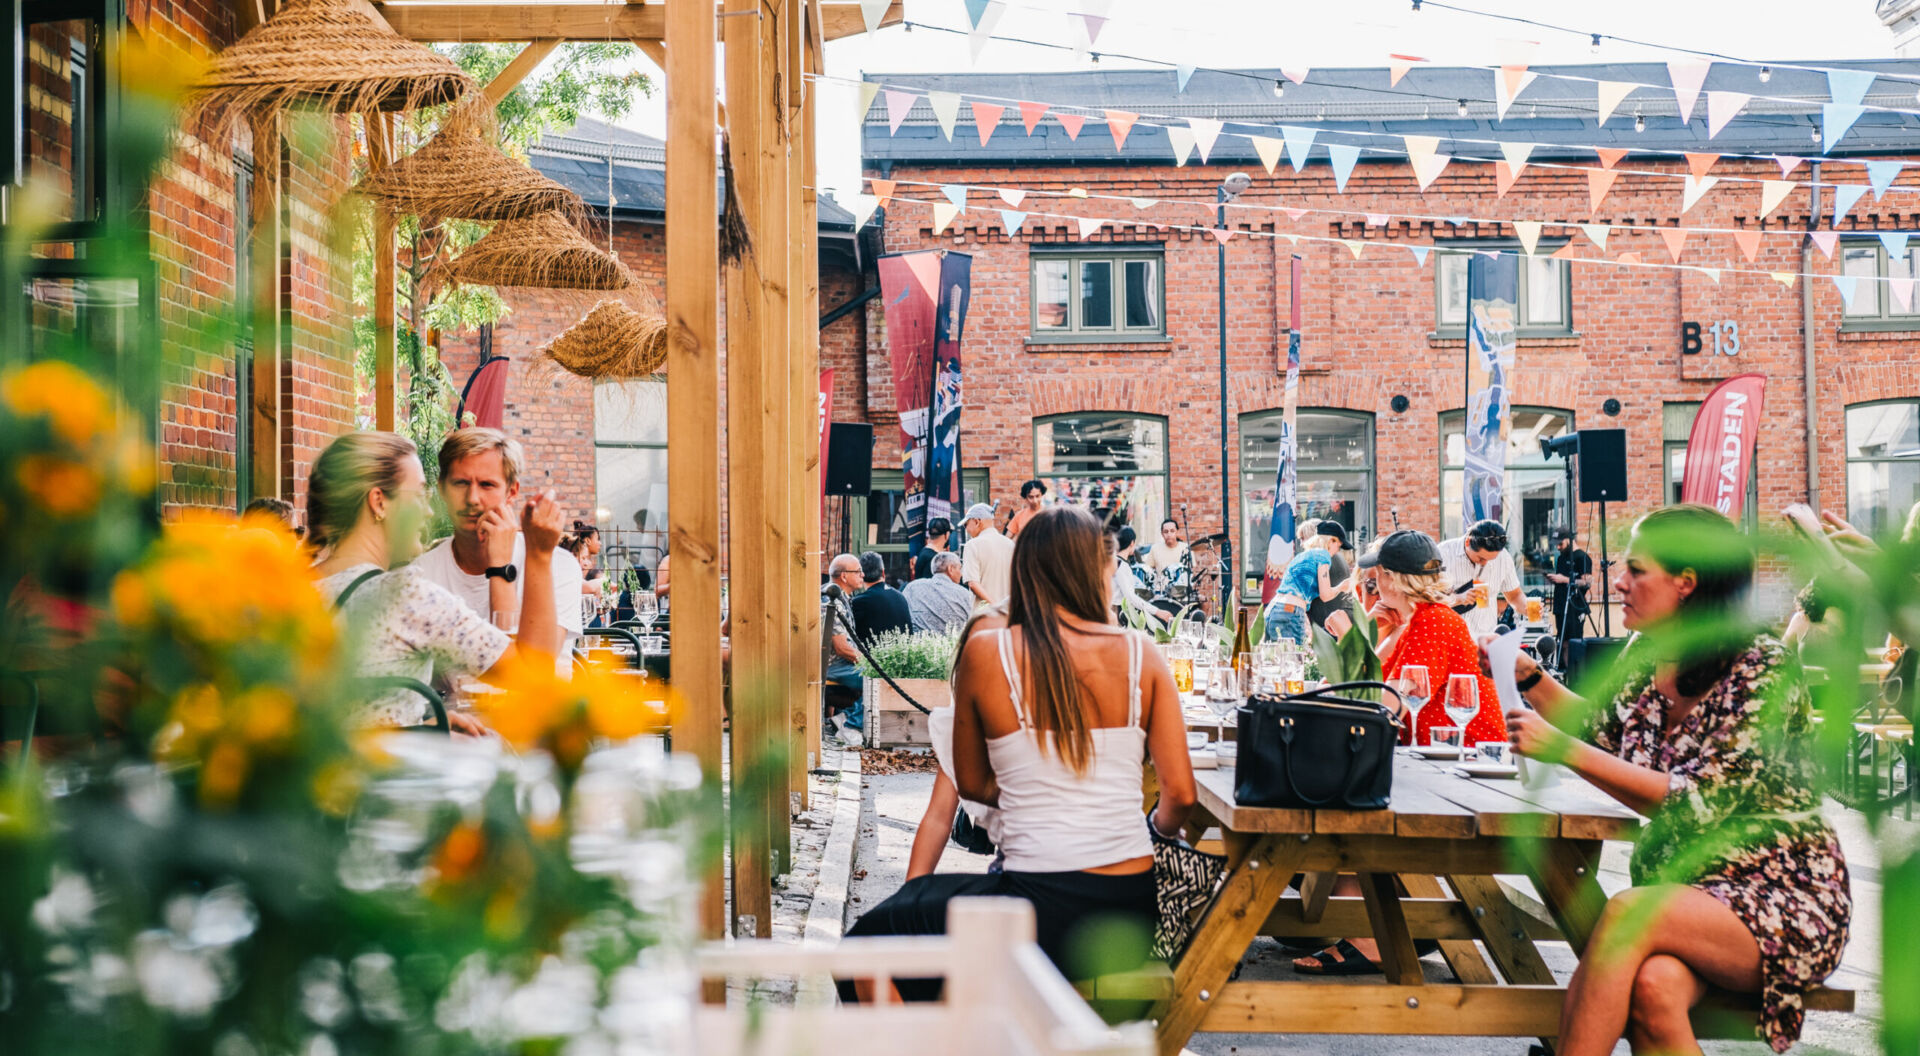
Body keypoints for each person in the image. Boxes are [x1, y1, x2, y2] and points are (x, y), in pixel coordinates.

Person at [1490, 505, 1849, 1055]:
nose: (1620, 581)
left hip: (1778, 893)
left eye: (1636, 569)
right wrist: (1528, 676)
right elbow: (1601, 733)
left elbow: (1697, 803)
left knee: (1629, 911)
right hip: (1688, 889)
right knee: (1654, 992)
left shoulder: (1761, 667)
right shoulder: (1647, 653)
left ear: (1686, 582)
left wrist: (1560, 748)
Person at [841, 505, 1196, 1000]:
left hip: (1035, 904)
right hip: (1131, 904)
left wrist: (1032, 793)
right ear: (1098, 573)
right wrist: (1153, 830)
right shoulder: (1144, 654)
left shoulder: (988, 652)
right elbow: (1180, 794)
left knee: (866, 947)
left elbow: (971, 783)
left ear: (1029, 571)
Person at [1292, 529, 1502, 977]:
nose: (1371, 584)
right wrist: (1378, 627)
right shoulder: (1411, 620)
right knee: (1328, 794)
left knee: (1340, 807)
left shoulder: (1434, 622)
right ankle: (1340, 912)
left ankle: (1368, 937)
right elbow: (1365, 684)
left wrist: (1350, 633)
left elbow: (1382, 702)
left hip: (1458, 770)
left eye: (1376, 575)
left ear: (1388, 577)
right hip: (1423, 761)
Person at [306, 431, 562, 733]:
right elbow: (533, 674)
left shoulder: (289, 589)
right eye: (418, 495)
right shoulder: (405, 597)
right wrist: (540, 554)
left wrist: (420, 724)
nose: (428, 511)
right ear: (379, 503)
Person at [405, 429, 583, 677]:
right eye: (461, 483)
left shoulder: (557, 564)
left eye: (487, 485)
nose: (473, 498)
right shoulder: (421, 575)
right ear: (442, 489)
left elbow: (528, 677)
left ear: (512, 492)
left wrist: (499, 566)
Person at [1438, 519, 1524, 640]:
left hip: (1485, 639)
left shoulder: (1503, 557)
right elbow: (1426, 599)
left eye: (1491, 559)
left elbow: (1515, 596)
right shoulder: (1443, 554)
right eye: (1480, 558)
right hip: (1450, 639)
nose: (1484, 563)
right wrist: (1458, 599)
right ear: (1468, 542)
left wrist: (1529, 608)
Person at [822, 553, 867, 744]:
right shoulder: (832, 601)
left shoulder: (839, 597)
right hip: (832, 666)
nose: (863, 575)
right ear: (844, 576)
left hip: (836, 664)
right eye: (858, 571)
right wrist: (873, 664)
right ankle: (851, 726)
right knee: (875, 679)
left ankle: (844, 718)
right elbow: (841, 649)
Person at [1306, 521, 1357, 640]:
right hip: (1341, 620)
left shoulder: (1322, 558)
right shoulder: (1330, 557)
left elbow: (1324, 595)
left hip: (1330, 624)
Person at [903, 551, 975, 634]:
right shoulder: (964, 594)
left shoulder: (912, 587)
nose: (961, 574)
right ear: (950, 569)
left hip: (916, 644)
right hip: (953, 645)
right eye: (960, 568)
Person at [959, 502, 1015, 608]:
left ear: (977, 521)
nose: (966, 529)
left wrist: (995, 607)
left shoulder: (972, 545)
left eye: (966, 524)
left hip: (983, 615)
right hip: (1008, 613)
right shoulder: (1009, 544)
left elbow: (973, 584)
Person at [850, 551, 912, 645]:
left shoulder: (858, 602)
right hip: (903, 655)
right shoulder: (900, 597)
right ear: (883, 573)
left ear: (862, 575)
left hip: (875, 658)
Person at [1546, 527, 1593, 636]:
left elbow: (1587, 582)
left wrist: (1564, 579)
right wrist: (1555, 579)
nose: (1558, 547)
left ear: (1569, 540)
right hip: (1560, 605)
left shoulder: (1582, 557)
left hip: (1575, 606)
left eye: (1560, 544)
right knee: (1561, 639)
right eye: (1556, 545)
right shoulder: (1561, 558)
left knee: (1573, 641)